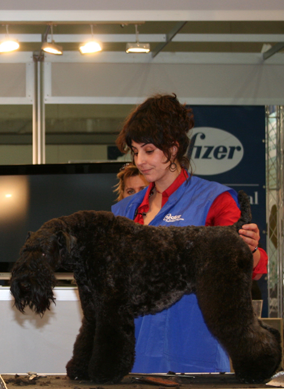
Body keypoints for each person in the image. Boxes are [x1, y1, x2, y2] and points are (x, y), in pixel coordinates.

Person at [111, 94, 265, 374]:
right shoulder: (125, 209)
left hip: (196, 351)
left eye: (148, 150)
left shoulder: (214, 199)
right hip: (135, 356)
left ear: (173, 148)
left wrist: (249, 251)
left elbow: (249, 269)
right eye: (134, 151)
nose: (140, 160)